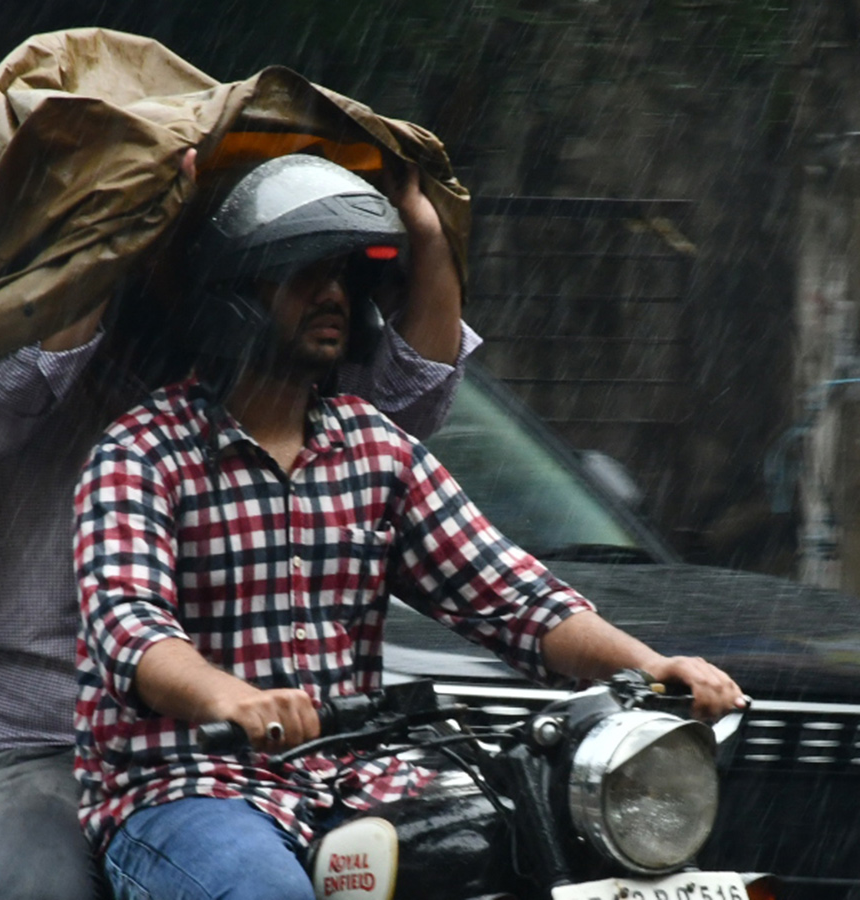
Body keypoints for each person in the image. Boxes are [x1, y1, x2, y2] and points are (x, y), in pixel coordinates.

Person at [73, 155, 748, 900]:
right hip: (189, 789)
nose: (334, 296)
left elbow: (509, 596)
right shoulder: (143, 450)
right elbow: (128, 627)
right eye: (306, 275)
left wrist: (650, 666)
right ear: (236, 293)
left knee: (528, 855)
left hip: (361, 778)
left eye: (348, 278)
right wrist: (228, 699)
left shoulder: (375, 448)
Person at [0, 149, 480, 900]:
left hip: (252, 761)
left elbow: (408, 405)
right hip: (42, 742)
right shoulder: (42, 404)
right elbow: (129, 624)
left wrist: (428, 239)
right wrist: (115, 222)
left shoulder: (273, 393)